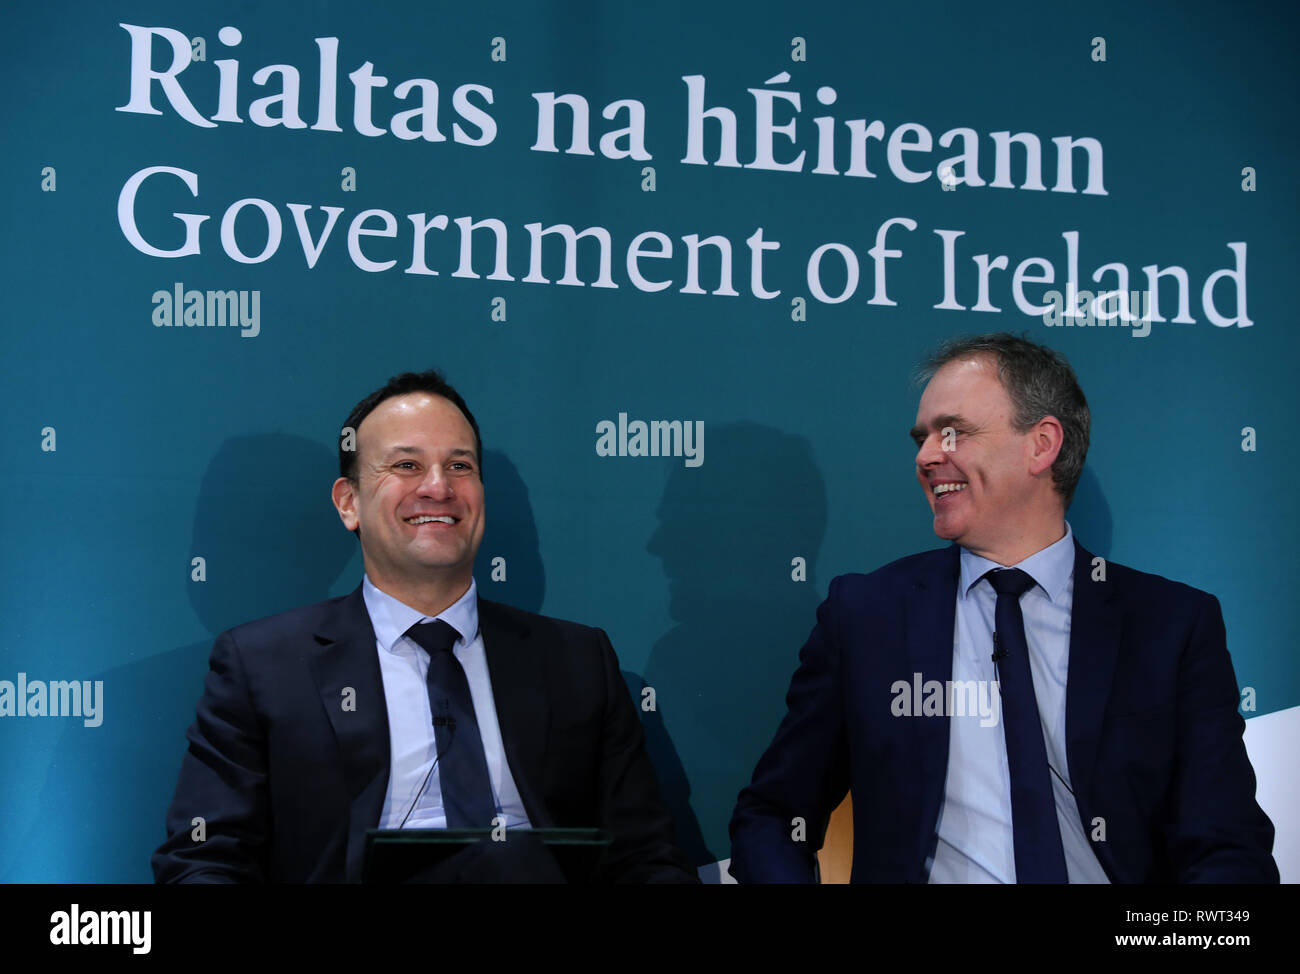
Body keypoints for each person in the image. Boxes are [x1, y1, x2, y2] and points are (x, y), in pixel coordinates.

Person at [729, 334, 1278, 883]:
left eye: (953, 432)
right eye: (922, 439)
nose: (925, 456)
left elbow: (1227, 847)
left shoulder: (1171, 625)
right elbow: (774, 816)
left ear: (1041, 444)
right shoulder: (867, 616)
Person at [154, 370, 696, 883]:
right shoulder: (262, 663)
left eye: (460, 466)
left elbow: (645, 852)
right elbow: (205, 856)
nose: (438, 487)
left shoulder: (579, 659)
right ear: (349, 503)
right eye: (407, 466)